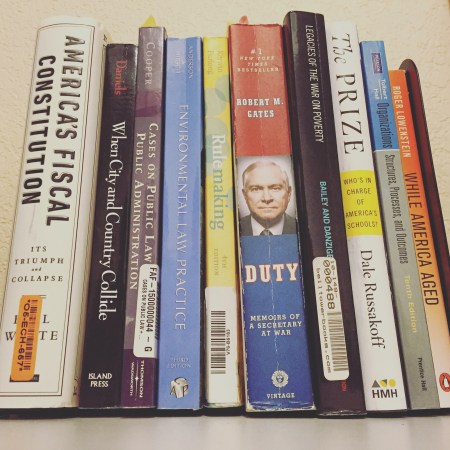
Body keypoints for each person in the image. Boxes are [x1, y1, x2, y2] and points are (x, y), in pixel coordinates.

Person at [239, 160, 297, 236]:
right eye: (256, 189)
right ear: (245, 195)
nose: (267, 198)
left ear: (289, 193)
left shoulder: (300, 227)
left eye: (275, 188)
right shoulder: (232, 229)